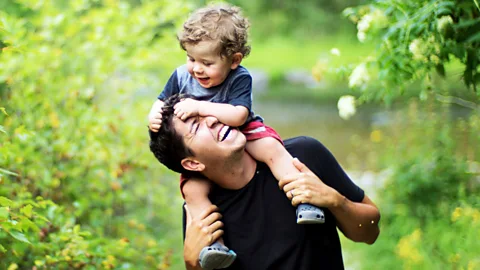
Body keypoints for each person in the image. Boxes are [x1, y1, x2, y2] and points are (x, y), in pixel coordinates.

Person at [147, 4, 324, 268]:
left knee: (275, 153)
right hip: (208, 147)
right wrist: (154, 114)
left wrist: (199, 107)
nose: (196, 69)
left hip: (243, 132)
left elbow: (239, 115)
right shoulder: (181, 75)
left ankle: (304, 202)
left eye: (207, 63)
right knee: (193, 192)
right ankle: (213, 246)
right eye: (191, 58)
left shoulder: (239, 77)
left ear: (234, 60)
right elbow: (162, 101)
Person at [149, 94, 381, 270]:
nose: (211, 119)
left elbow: (370, 233)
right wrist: (192, 263)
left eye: (207, 111)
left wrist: (335, 201)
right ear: (192, 164)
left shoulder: (303, 156)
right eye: (196, 126)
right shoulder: (201, 211)